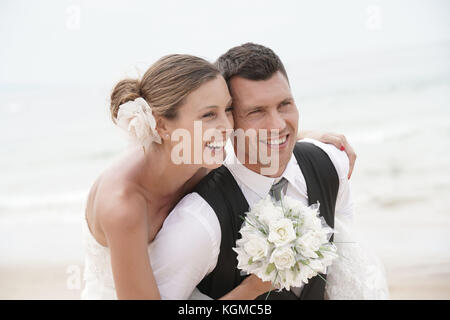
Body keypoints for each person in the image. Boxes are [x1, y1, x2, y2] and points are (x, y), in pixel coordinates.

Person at [81, 53, 357, 300]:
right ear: (162, 124)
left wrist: (303, 136)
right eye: (209, 115)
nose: (226, 126)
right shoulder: (123, 207)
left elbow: (255, 136)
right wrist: (252, 289)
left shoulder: (194, 152)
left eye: (227, 110)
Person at [148, 43, 388, 300]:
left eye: (284, 104)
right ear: (229, 121)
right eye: (256, 111)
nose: (277, 124)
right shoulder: (197, 221)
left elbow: (345, 255)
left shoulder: (332, 163)